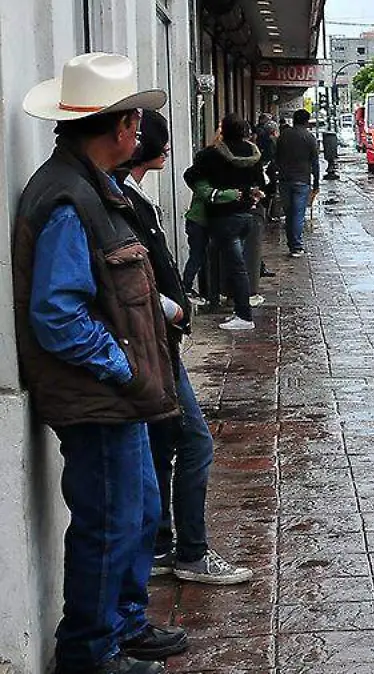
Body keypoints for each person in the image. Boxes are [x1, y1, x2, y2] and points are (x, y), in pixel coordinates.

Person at [14, 52, 188, 674]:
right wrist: (122, 368)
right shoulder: (68, 198)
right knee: (108, 524)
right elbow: (58, 315)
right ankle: (90, 652)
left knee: (137, 513)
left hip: (121, 394)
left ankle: (124, 622)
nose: (139, 131)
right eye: (135, 121)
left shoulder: (92, 187)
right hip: (99, 396)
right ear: (120, 128)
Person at [117, 110, 255, 587]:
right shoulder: (120, 201)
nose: (166, 147)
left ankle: (160, 543)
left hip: (153, 340)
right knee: (195, 442)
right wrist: (171, 309)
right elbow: (124, 278)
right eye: (155, 139)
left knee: (161, 444)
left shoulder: (129, 196)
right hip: (152, 341)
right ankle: (191, 551)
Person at [187, 114, 265, 330]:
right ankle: (237, 310)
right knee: (237, 265)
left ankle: (244, 316)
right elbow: (260, 182)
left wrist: (211, 193)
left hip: (222, 218)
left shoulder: (211, 155)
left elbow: (190, 176)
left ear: (223, 131)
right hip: (246, 216)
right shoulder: (253, 153)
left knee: (236, 268)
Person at [273, 109, 320, 257]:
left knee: (289, 214)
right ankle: (296, 246)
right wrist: (316, 183)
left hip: (285, 180)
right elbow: (315, 162)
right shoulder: (309, 137)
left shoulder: (283, 136)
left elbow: (276, 157)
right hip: (302, 180)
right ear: (307, 121)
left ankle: (292, 244)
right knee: (298, 214)